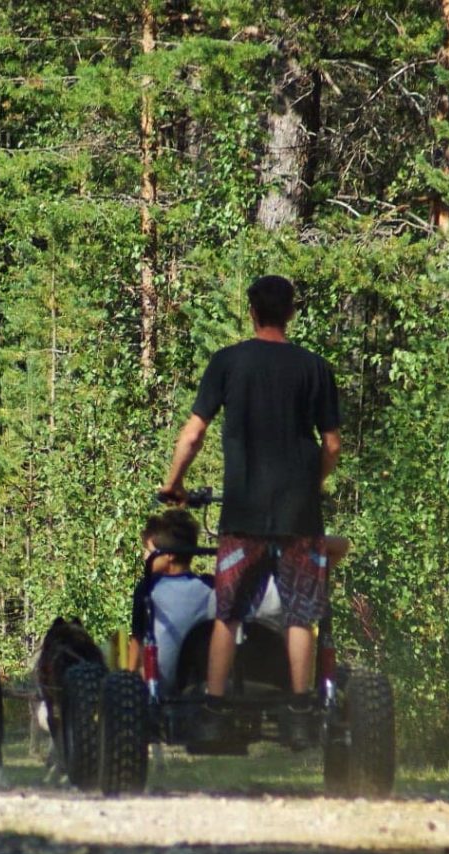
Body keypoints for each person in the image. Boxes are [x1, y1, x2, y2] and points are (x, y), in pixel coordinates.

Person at [160, 274, 341, 748]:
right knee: (301, 615)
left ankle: (215, 711)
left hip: (242, 516)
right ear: (292, 313)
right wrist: (310, 485)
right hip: (300, 517)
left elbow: (194, 433)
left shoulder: (228, 362)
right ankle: (301, 712)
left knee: (229, 613)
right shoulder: (316, 368)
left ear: (252, 312)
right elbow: (333, 444)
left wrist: (173, 483)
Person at [128, 509, 214, 691]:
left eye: (149, 550)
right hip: (200, 684)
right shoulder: (209, 587)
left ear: (169, 554)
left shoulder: (148, 588)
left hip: (160, 687)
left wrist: (127, 682)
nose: (145, 556)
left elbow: (137, 641)